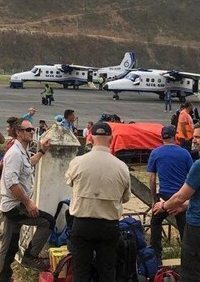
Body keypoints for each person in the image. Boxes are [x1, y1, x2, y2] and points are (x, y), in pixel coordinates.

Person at [152, 121, 200, 282]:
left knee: (191, 273)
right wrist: (186, 206)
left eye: (197, 137)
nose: (193, 140)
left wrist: (163, 205)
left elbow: (181, 196)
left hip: (199, 227)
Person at [66, 121, 131, 282]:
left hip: (82, 223)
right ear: (111, 139)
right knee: (107, 270)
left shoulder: (77, 162)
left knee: (80, 271)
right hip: (109, 225)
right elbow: (125, 198)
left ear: (90, 138)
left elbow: (69, 182)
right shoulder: (121, 166)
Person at [0, 119, 54, 281]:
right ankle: (30, 256)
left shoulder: (21, 151)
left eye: (32, 129)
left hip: (15, 204)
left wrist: (42, 151)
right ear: (18, 132)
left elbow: (29, 164)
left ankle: (4, 277)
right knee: (47, 222)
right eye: (28, 130)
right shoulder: (15, 154)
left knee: (10, 244)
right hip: (15, 206)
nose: (31, 132)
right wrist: (28, 203)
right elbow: (12, 184)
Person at [147, 124, 193, 263]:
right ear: (175, 136)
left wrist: (153, 200)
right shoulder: (184, 153)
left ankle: (157, 255)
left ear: (161, 137)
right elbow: (191, 176)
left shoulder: (155, 153)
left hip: (164, 197)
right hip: (181, 197)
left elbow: (152, 178)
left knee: (155, 222)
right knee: (185, 229)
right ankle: (187, 258)